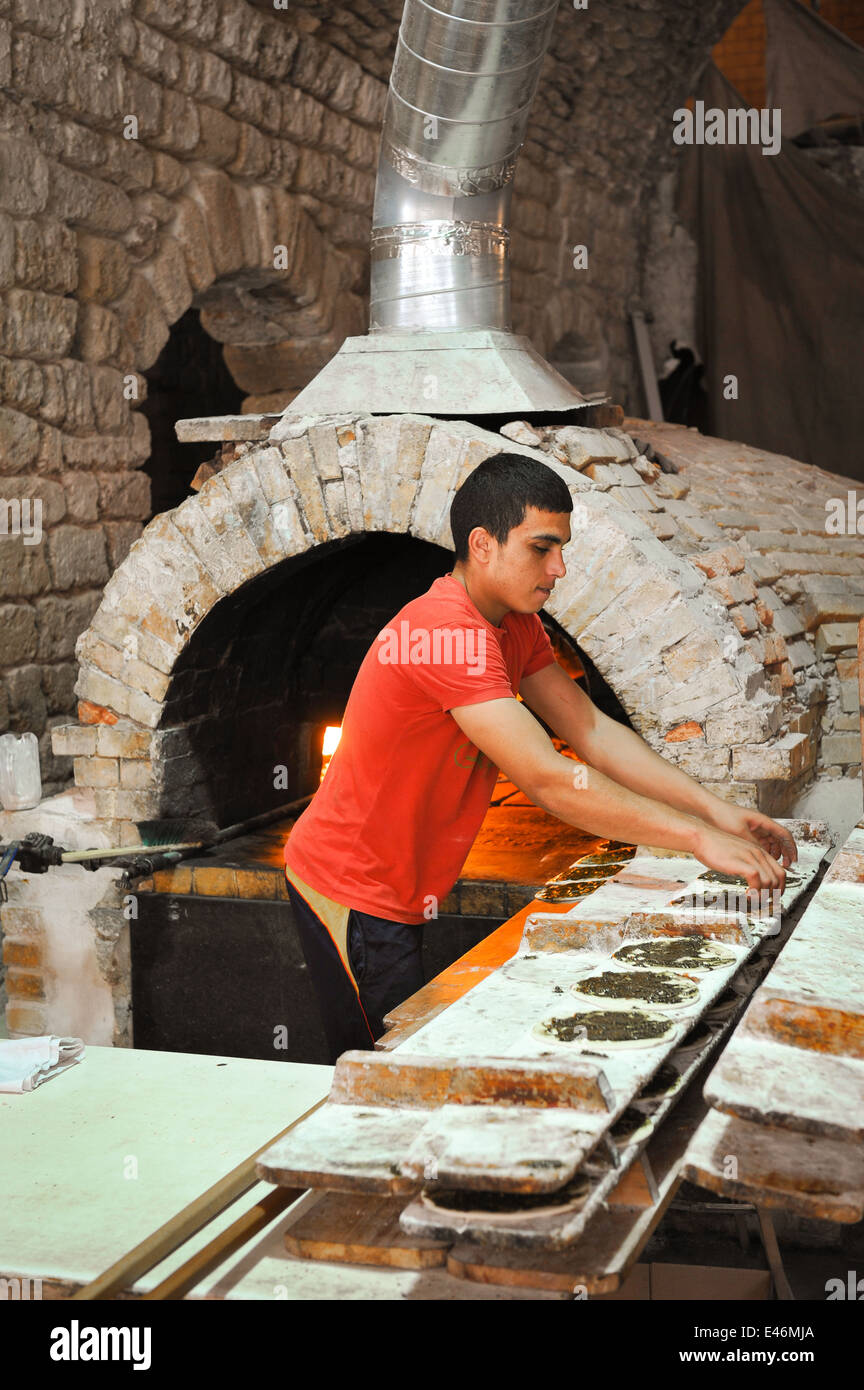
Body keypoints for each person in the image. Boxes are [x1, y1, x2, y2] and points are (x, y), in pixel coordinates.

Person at [283, 453, 794, 1062]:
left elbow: (593, 732)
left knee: (409, 1061)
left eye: (562, 548)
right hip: (350, 889)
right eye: (541, 548)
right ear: (483, 544)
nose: (559, 568)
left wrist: (718, 813)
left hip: (402, 888)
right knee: (385, 1075)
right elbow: (549, 778)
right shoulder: (446, 632)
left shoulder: (515, 624)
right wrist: (694, 838)